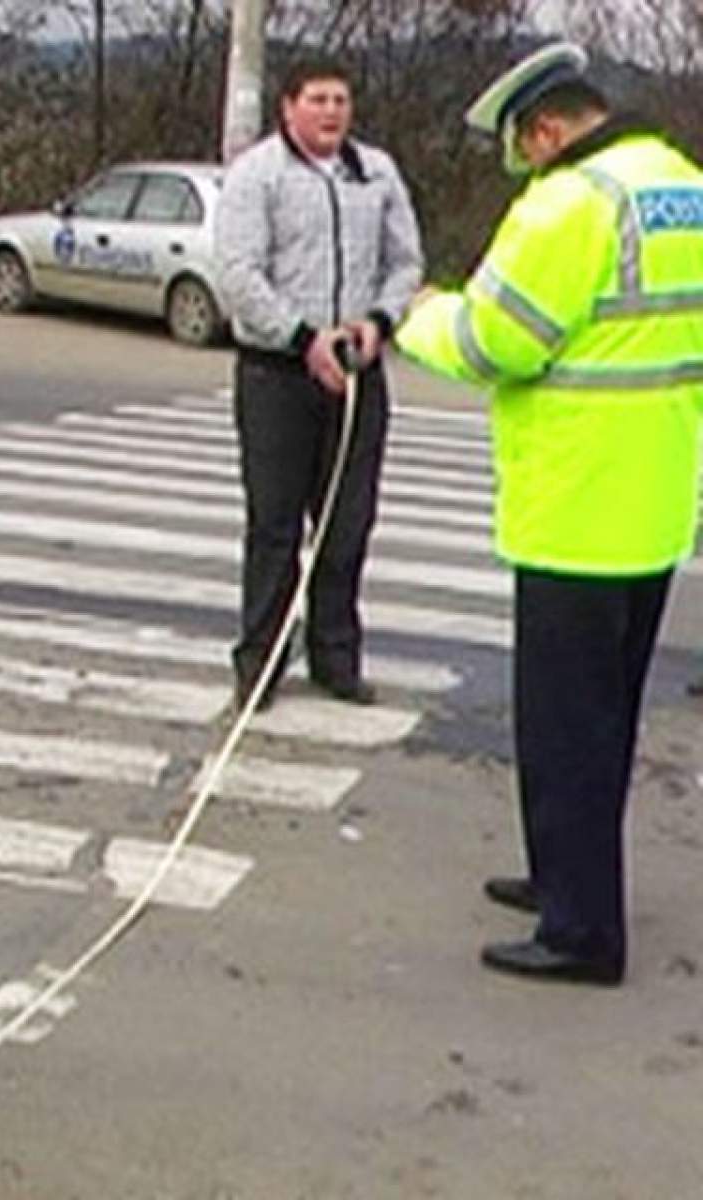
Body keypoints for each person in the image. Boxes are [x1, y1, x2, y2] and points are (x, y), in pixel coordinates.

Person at [396, 43, 703, 985]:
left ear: (543, 129)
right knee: (603, 719)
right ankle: (563, 873)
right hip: (652, 500)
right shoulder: (682, 184)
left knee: (563, 722)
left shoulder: (570, 202)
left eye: (522, 151)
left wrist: (418, 315)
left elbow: (497, 342)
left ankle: (580, 931)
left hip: (575, 501)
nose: (524, 170)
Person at [216, 56, 424, 712]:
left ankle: (337, 658)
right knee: (275, 528)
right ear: (288, 107)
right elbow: (238, 274)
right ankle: (262, 662)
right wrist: (304, 339)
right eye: (318, 99)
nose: (332, 111)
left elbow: (406, 261)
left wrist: (378, 321)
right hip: (278, 377)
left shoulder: (376, 173)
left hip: (358, 379)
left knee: (347, 525)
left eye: (340, 99)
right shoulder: (258, 176)